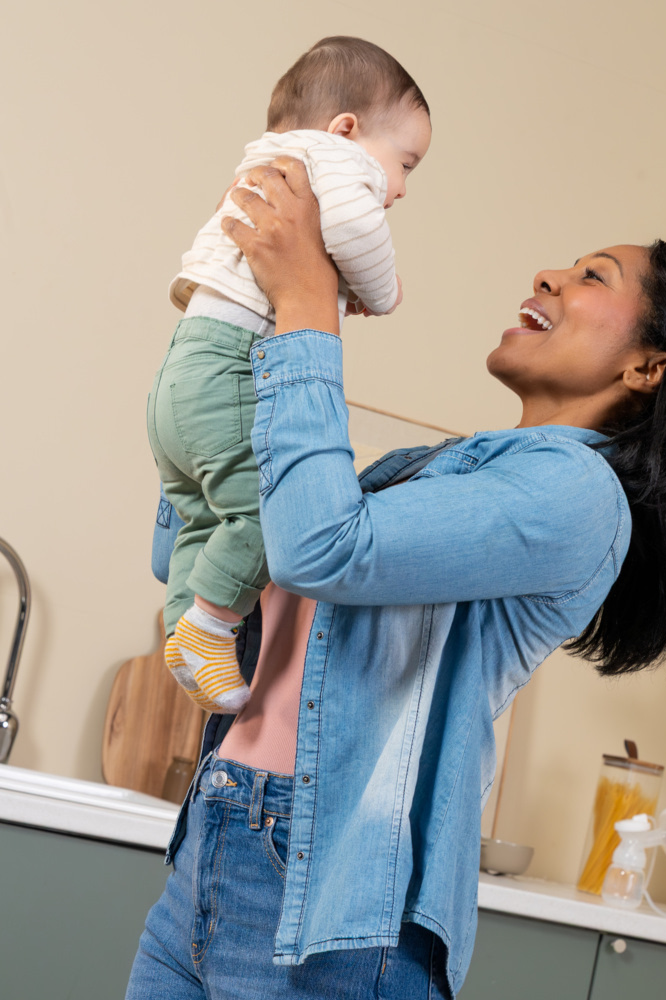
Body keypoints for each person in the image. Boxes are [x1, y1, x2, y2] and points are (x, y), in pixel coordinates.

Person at [127, 160, 666, 999]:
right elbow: (192, 559)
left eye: (592, 276)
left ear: (648, 367)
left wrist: (309, 304)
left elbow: (320, 548)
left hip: (330, 913)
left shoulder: (578, 496)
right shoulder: (435, 471)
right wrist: (229, 316)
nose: (549, 276)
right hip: (218, 840)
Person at [147, 37, 432, 714]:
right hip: (231, 367)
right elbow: (357, 231)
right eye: (404, 164)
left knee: (203, 515)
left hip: (181, 373)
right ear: (346, 129)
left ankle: (186, 631)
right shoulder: (330, 157)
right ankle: (210, 625)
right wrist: (382, 290)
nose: (400, 188)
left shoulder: (266, 158)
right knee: (265, 509)